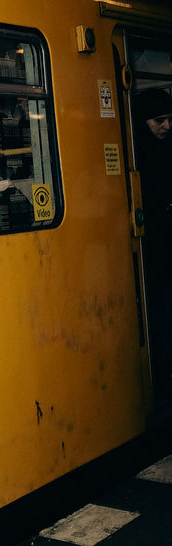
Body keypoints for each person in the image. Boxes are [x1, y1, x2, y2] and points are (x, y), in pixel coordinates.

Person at [135, 88, 172, 401]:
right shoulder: (137, 155)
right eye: (159, 120)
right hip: (152, 250)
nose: (167, 126)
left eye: (169, 119)